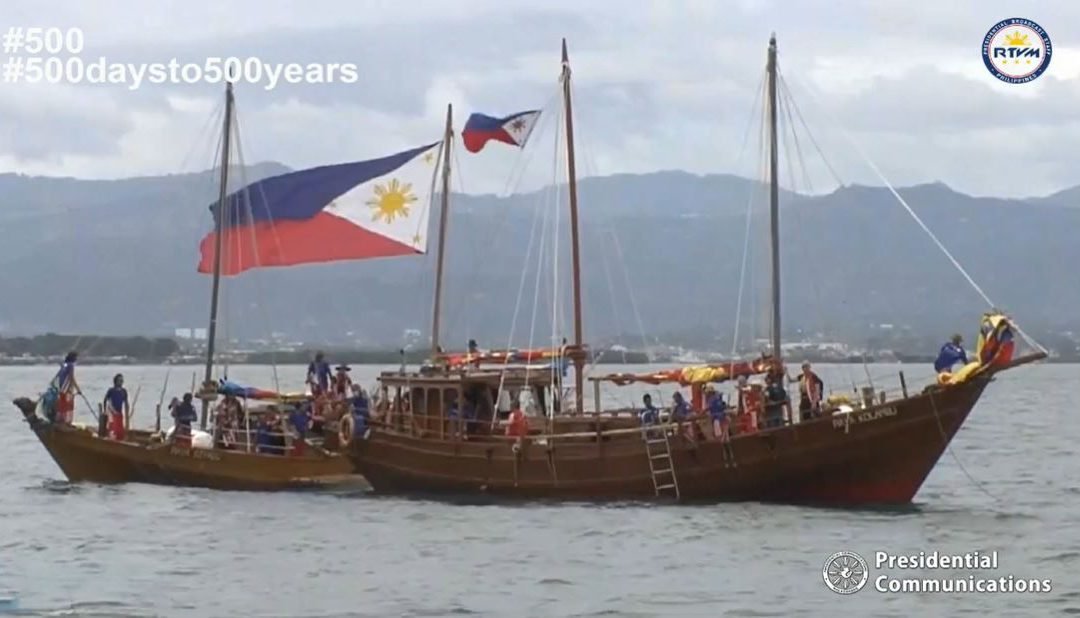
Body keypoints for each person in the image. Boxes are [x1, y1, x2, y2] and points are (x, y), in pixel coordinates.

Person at [47, 351, 81, 424]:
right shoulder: (71, 365)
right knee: (66, 404)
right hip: (65, 387)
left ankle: (59, 418)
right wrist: (78, 389)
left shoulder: (64, 364)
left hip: (60, 386)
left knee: (61, 403)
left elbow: (58, 375)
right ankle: (65, 420)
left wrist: (52, 382)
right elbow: (71, 377)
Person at [103, 374, 129, 440]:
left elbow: (126, 403)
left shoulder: (124, 391)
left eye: (122, 380)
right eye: (119, 380)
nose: (121, 382)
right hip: (112, 413)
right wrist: (106, 411)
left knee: (120, 431)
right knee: (113, 430)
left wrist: (127, 416)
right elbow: (106, 401)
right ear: (116, 381)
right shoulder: (111, 390)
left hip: (119, 413)